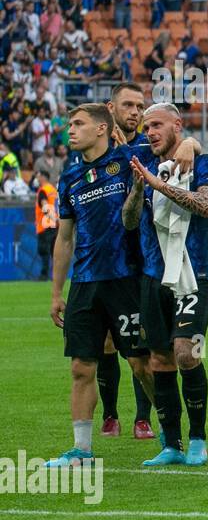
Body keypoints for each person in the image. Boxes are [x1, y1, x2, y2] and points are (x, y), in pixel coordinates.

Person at [45, 105, 196, 466]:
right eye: (70, 124)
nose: (71, 130)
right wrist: (56, 292)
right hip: (84, 283)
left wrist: (190, 142)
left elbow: (174, 144)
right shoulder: (69, 178)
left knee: (142, 365)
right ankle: (81, 450)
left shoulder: (131, 157)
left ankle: (169, 435)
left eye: (78, 124)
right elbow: (64, 238)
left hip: (126, 279)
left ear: (102, 129)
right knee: (81, 367)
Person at [122, 104, 208, 467]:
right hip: (153, 277)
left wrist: (159, 184)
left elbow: (206, 206)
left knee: (186, 353)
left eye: (157, 125)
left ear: (177, 125)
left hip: (194, 275)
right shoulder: (141, 163)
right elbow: (130, 222)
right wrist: (137, 191)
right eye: (147, 127)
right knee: (160, 360)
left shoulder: (204, 162)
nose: (149, 132)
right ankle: (172, 445)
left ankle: (198, 439)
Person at [70, 84, 158, 442]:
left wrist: (187, 144)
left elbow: (187, 149)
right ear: (110, 109)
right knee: (103, 344)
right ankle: (109, 414)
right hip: (100, 268)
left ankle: (144, 417)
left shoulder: (146, 148)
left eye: (140, 106)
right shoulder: (87, 157)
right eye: (128, 105)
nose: (136, 112)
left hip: (139, 263)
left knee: (139, 350)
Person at [35, 168, 58, 280]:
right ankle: (56, 275)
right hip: (54, 225)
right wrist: (56, 221)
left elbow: (45, 205)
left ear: (43, 177)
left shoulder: (43, 190)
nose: (37, 178)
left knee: (44, 251)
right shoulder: (53, 190)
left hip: (45, 224)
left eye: (38, 176)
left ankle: (44, 275)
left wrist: (52, 218)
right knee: (53, 252)